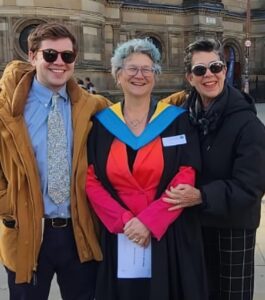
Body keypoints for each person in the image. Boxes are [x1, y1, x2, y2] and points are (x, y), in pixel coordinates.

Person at [85, 38, 208, 300]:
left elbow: (186, 172)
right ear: (118, 75)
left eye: (147, 69)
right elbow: (92, 180)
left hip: (168, 233)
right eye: (131, 68)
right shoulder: (102, 124)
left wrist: (150, 221)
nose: (139, 75)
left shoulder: (176, 121)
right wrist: (127, 221)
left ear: (155, 76)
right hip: (121, 234)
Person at [0, 22, 109, 300]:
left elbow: (137, 114)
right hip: (27, 232)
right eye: (50, 55)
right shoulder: (7, 109)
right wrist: (10, 205)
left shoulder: (93, 107)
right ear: (32, 55)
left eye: (67, 56)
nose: (59, 62)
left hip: (79, 233)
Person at [163, 38, 265, 300]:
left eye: (216, 67)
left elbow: (251, 187)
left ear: (224, 70)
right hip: (192, 226)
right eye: (200, 70)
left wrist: (201, 196)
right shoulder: (182, 116)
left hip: (232, 228)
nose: (209, 75)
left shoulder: (248, 124)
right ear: (189, 77)